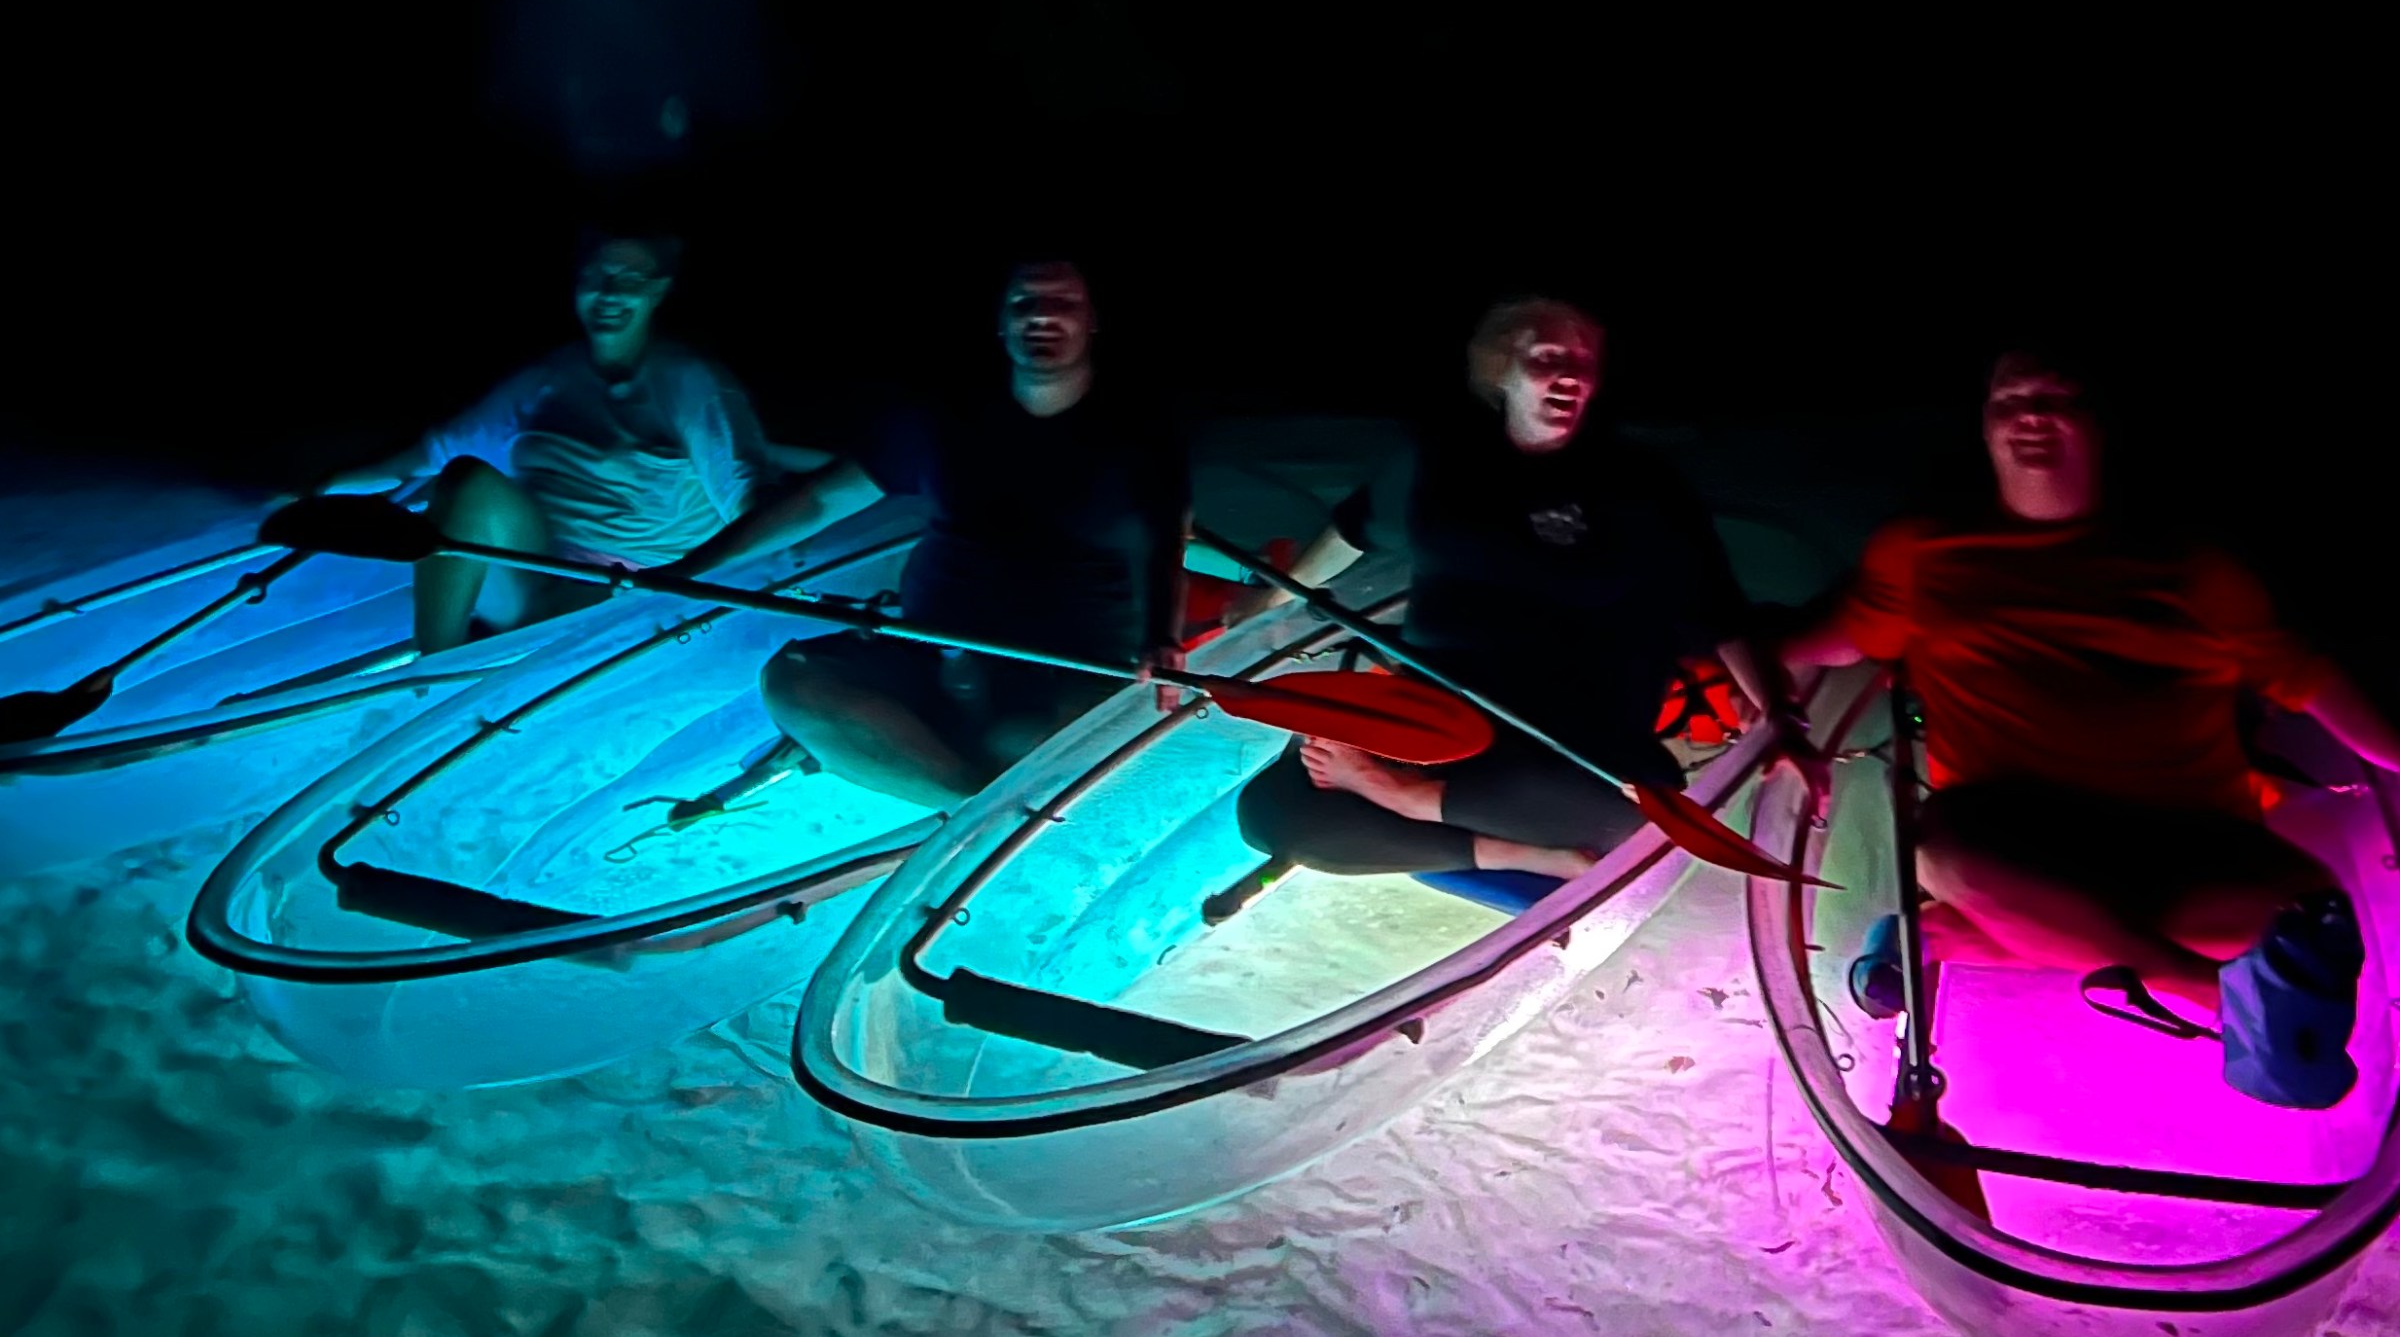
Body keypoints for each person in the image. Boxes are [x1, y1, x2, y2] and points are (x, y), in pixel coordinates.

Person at [1786, 348, 2400, 1108]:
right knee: (1946, 852)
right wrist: (1720, 657)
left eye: (2058, 397)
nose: (2032, 415)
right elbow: (1838, 636)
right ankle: (2209, 994)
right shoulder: (1924, 550)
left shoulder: (2195, 566)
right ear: (1984, 428)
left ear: (2100, 425)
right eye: (2011, 400)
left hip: (2189, 845)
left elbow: (2314, 684)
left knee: (2309, 918)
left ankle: (1937, 939)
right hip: (2013, 837)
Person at [1232, 295, 1810, 884]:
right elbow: (1352, 531)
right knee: (1268, 815)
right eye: (1548, 357)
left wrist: (1783, 720)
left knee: (1607, 820)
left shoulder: (1640, 485)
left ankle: (1409, 802)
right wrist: (1266, 601)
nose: (1571, 376)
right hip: (1439, 717)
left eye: (1584, 362)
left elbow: (1719, 608)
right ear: (1500, 369)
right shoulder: (1438, 463)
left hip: (1571, 743)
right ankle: (1523, 853)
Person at [757, 258, 1190, 809]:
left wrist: (1164, 636)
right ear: (1001, 323)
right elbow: (819, 498)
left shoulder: (1141, 426)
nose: (1042, 316)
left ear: (1091, 321)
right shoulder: (946, 411)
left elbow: (1168, 537)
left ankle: (923, 770)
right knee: (791, 681)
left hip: (1065, 663)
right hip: (928, 644)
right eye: (1024, 303)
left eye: (1063, 303)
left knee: (1022, 741)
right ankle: (971, 803)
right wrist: (686, 571)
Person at [318, 230, 859, 651]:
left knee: (549, 604)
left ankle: (478, 670)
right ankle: (431, 668)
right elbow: (427, 455)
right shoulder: (550, 377)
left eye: (631, 279)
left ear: (658, 291)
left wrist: (785, 537)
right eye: (599, 275)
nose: (609, 292)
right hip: (539, 568)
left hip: (641, 585)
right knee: (463, 477)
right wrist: (317, 489)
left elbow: (746, 496)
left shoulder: (689, 382)